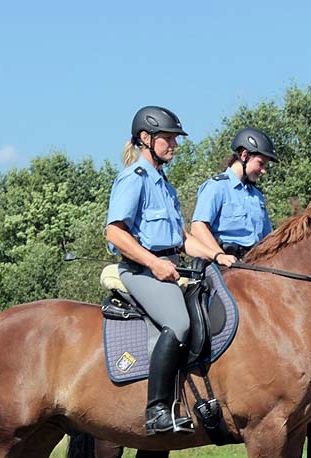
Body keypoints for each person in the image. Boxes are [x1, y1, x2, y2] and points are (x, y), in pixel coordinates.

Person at [105, 105, 224, 434]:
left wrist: (220, 257)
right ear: (146, 138)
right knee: (179, 321)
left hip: (171, 266)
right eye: (168, 138)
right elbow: (114, 232)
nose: (174, 144)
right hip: (141, 270)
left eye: (175, 138)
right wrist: (154, 263)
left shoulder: (164, 185)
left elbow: (183, 240)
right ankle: (157, 409)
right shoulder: (134, 178)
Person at [189, 127, 278, 261]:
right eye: (260, 164)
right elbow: (198, 228)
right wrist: (221, 257)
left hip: (254, 264)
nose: (263, 171)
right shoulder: (217, 187)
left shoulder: (257, 196)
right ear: (244, 155)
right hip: (222, 264)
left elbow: (267, 238)